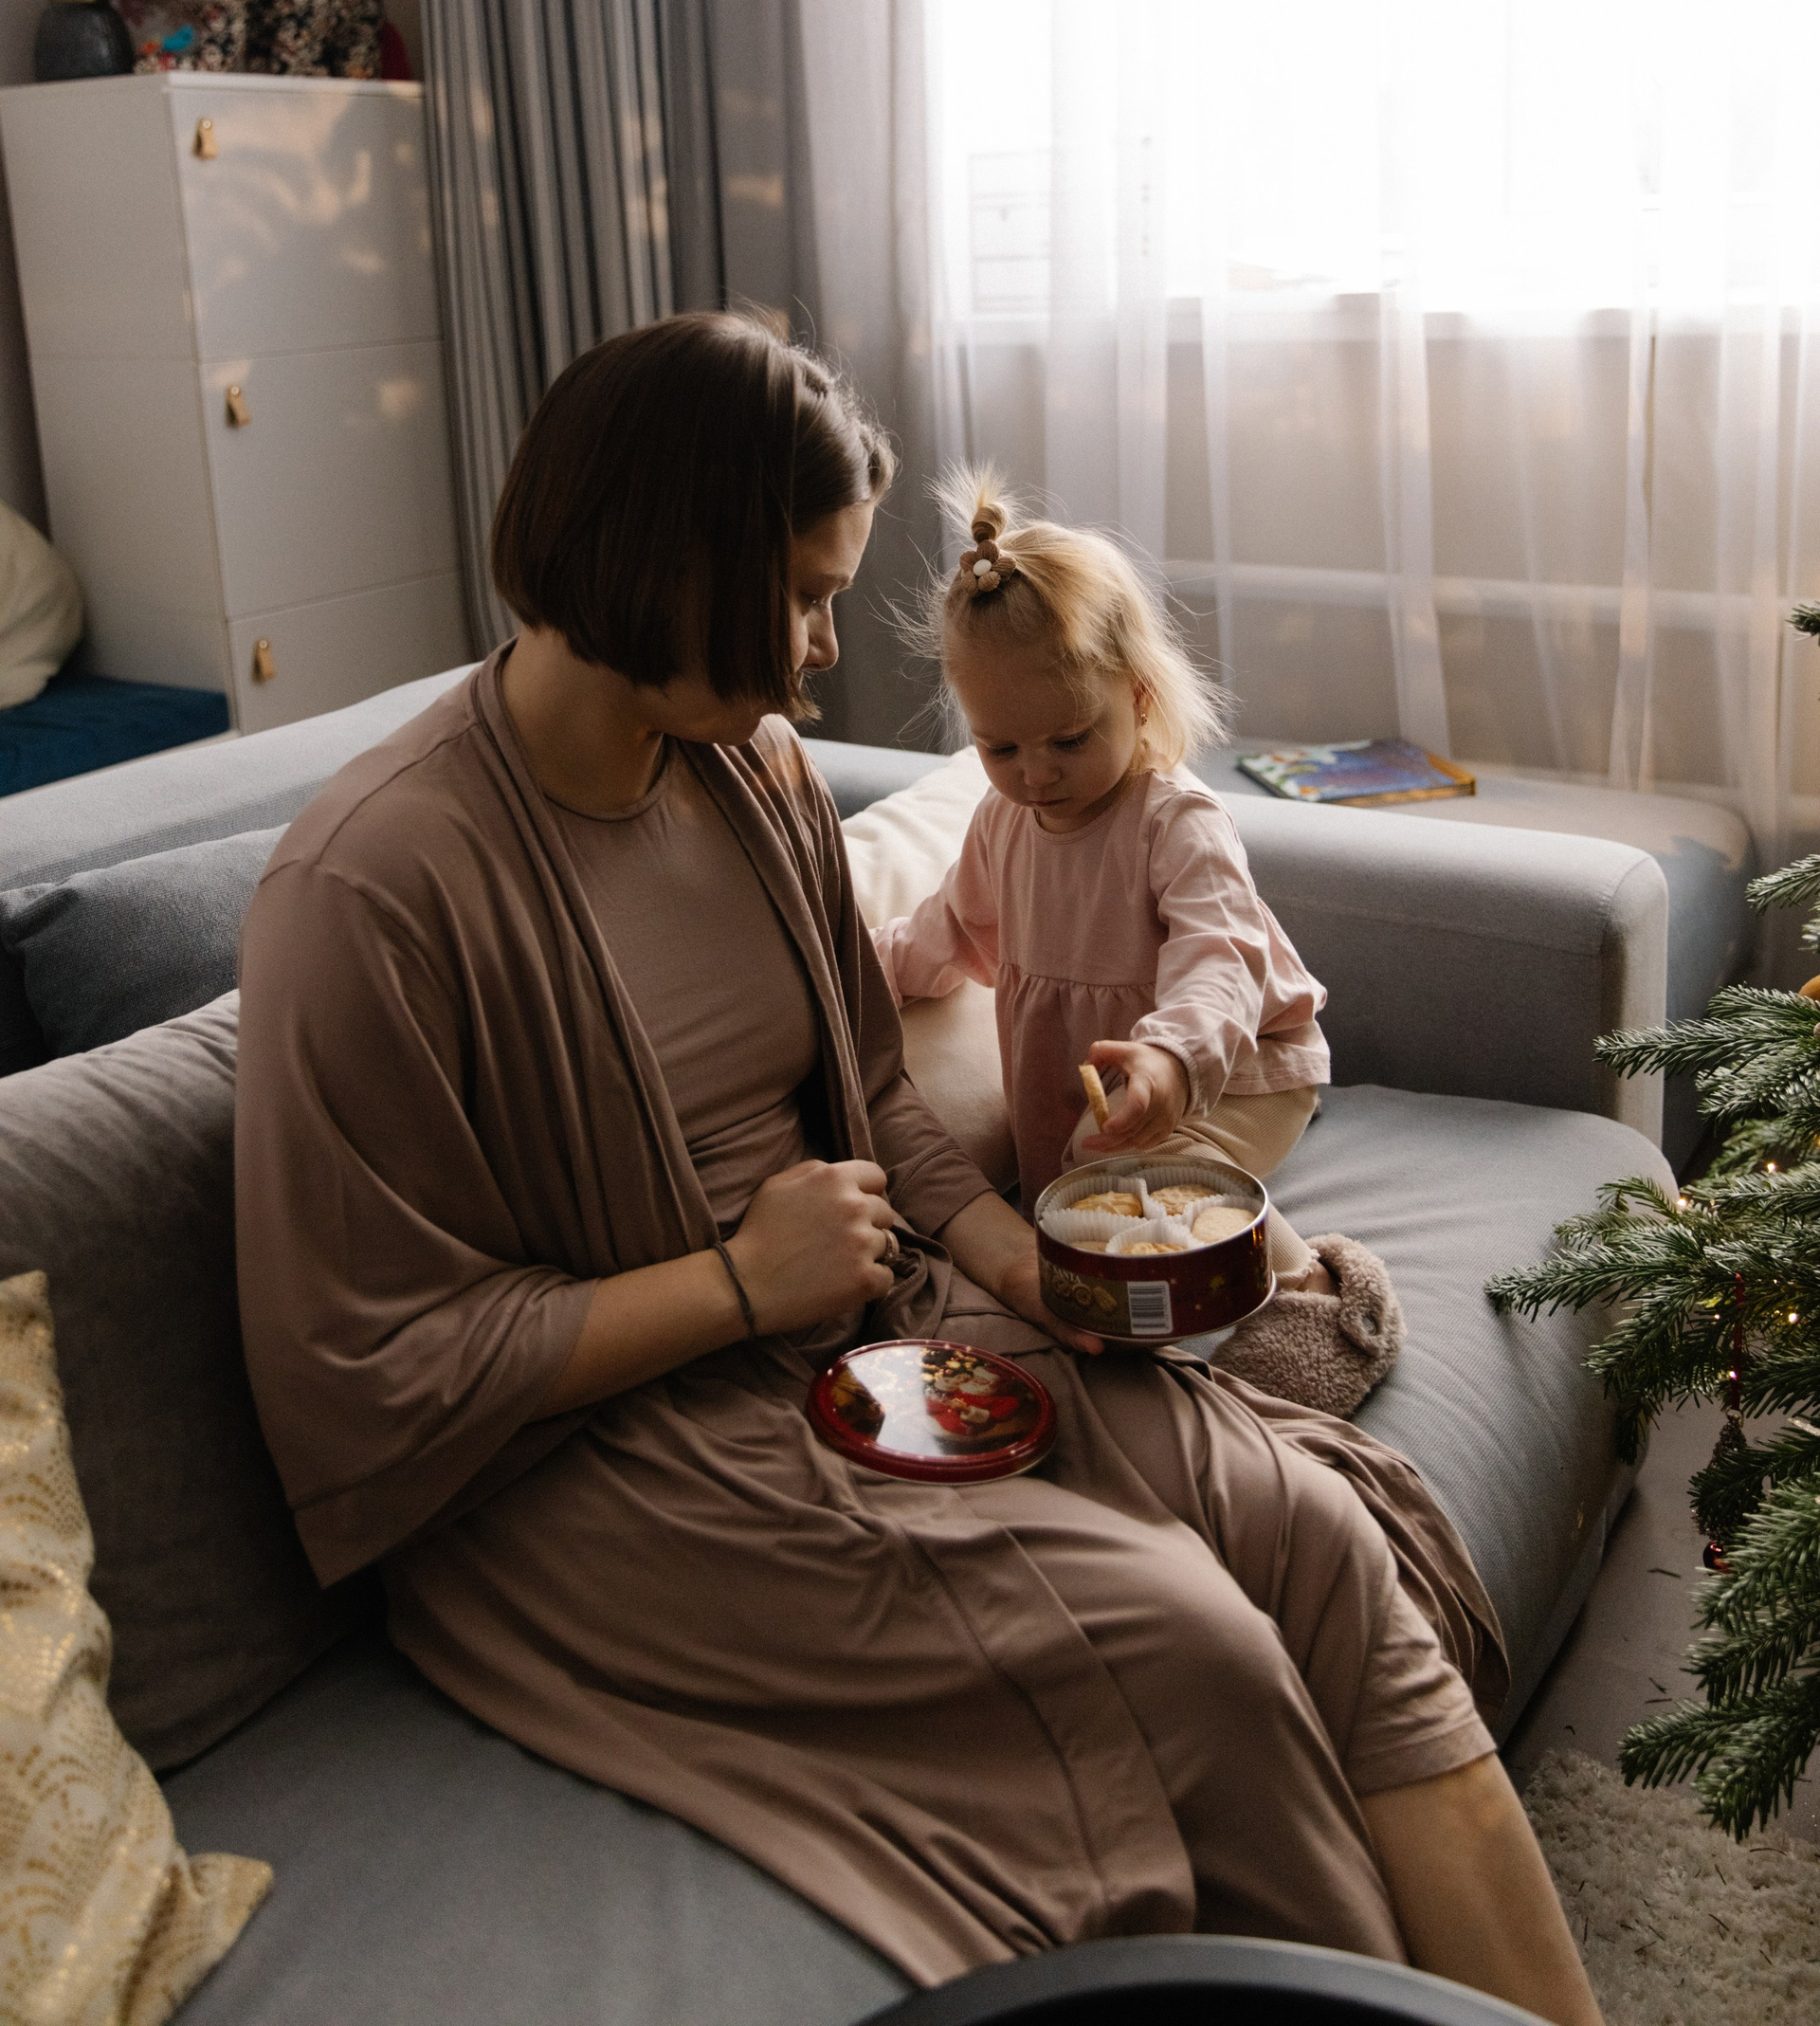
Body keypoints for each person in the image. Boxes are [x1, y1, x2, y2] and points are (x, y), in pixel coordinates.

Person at [233, 313, 1599, 2025]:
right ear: (671, 566)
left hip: (876, 1317)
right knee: (1187, 1649)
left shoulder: (754, 773)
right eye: (805, 597)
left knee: (1315, 1536)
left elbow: (872, 1091)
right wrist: (738, 1285)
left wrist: (1023, 1266)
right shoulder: (371, 892)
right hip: (610, 1464)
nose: (822, 654)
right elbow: (368, 1372)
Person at [873, 470, 1400, 1416]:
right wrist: (855, 971)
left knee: (1148, 1169)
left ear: (1141, 699)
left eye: (1070, 740)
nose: (1036, 775)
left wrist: (1169, 1060)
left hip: (1237, 1071)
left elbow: (1219, 960)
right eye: (1001, 749)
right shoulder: (1001, 825)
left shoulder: (1174, 822)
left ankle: (1320, 1287)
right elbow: (944, 933)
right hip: (1099, 1108)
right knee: (1090, 1196)